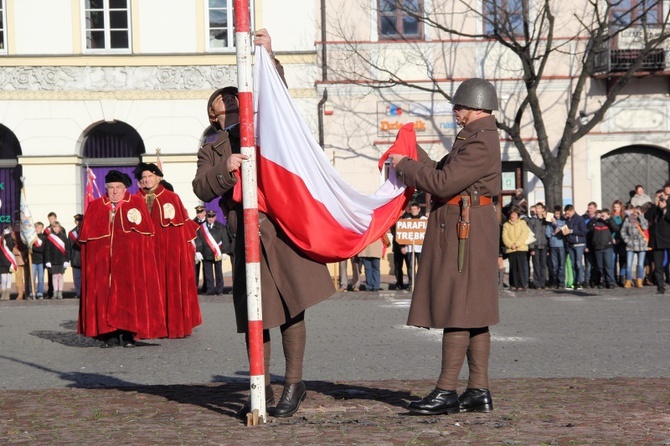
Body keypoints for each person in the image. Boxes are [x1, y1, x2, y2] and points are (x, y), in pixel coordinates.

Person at [192, 28, 336, 419]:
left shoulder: (265, 129)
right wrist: (227, 167)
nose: (234, 110)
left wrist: (269, 57)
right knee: (258, 314)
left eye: (238, 102)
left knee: (292, 307)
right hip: (245, 236)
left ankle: (294, 381)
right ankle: (262, 386)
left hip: (280, 229)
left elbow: (279, 102)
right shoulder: (212, 148)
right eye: (226, 106)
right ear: (215, 115)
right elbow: (201, 188)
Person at [389, 77, 501, 415]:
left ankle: (446, 391)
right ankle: (478, 390)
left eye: (460, 105)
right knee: (474, 313)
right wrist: (413, 154)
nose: (456, 110)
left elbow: (443, 182)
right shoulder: (475, 138)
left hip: (465, 228)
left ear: (477, 107)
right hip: (467, 225)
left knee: (459, 310)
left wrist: (405, 167)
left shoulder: (480, 141)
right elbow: (444, 169)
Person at [78, 170, 167, 348]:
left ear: (125, 188)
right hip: (103, 268)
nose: (115, 191)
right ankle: (108, 334)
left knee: (129, 298)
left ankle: (128, 334)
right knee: (104, 297)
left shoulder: (136, 203)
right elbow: (87, 243)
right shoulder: (96, 206)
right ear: (106, 189)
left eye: (118, 187)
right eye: (111, 188)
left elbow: (145, 239)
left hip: (129, 265)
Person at [135, 162, 202, 338]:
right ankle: (147, 326)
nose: (147, 180)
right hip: (144, 253)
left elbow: (179, 232)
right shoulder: (136, 198)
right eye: (144, 177)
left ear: (158, 177)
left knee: (169, 288)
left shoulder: (171, 197)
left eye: (150, 176)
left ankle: (171, 325)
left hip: (166, 254)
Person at [195, 210, 228, 296]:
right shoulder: (202, 228)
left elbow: (225, 239)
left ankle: (219, 289)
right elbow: (199, 241)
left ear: (215, 217)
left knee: (218, 272)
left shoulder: (221, 227)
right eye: (209, 216)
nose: (210, 218)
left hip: (217, 254)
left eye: (212, 216)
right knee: (208, 273)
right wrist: (198, 251)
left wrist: (225, 251)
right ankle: (210, 289)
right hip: (206, 253)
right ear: (206, 217)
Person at [644, 189, 670, 294]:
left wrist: (664, 209)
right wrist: (654, 206)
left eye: (662, 196)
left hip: (668, 237)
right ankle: (660, 287)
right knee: (658, 265)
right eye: (658, 196)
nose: (661, 198)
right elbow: (647, 216)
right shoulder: (653, 208)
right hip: (656, 239)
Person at [586, 209, 619, 288]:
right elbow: (588, 227)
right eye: (601, 215)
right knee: (600, 266)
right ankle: (604, 281)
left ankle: (611, 282)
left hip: (607, 247)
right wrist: (595, 218)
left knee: (608, 265)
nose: (602, 217)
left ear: (608, 215)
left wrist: (608, 219)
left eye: (604, 215)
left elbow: (616, 228)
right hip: (597, 247)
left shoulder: (609, 222)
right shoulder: (596, 222)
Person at [502, 207, 531, 291]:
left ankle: (522, 284)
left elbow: (524, 234)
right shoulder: (506, 225)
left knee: (521, 267)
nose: (512, 216)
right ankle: (513, 284)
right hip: (511, 249)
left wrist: (517, 244)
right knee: (513, 267)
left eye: (514, 214)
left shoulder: (522, 223)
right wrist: (511, 244)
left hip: (521, 248)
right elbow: (505, 237)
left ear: (518, 215)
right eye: (511, 214)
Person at [620, 206, 648, 288]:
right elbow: (623, 231)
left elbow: (645, 227)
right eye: (635, 211)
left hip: (641, 244)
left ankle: (639, 280)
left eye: (638, 212)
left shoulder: (643, 219)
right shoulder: (628, 219)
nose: (636, 213)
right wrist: (627, 240)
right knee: (629, 264)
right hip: (631, 244)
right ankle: (628, 280)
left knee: (640, 264)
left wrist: (641, 217)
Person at [44, 221, 70, 299]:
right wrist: (47, 260)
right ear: (52, 228)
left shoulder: (64, 237)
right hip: (53, 260)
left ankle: (60, 292)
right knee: (54, 276)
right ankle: (55, 292)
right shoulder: (49, 237)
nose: (56, 228)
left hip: (61, 260)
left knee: (60, 276)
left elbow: (67, 249)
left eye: (57, 227)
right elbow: (47, 250)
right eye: (54, 227)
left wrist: (67, 260)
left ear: (60, 228)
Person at [564, 205, 587, 290]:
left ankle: (579, 282)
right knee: (573, 264)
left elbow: (584, 232)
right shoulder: (567, 220)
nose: (567, 215)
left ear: (572, 211)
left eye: (567, 213)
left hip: (579, 244)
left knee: (578, 263)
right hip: (570, 244)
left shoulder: (579, 219)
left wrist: (572, 231)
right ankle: (573, 282)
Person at [527, 202, 549, 289]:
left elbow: (549, 231)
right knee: (536, 265)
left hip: (544, 245)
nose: (537, 210)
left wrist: (545, 217)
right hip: (535, 245)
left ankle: (543, 283)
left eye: (539, 208)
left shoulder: (546, 220)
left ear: (543, 209)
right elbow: (530, 234)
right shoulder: (532, 220)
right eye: (536, 208)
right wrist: (531, 247)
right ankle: (537, 283)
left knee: (543, 265)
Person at [546, 205, 567, 289]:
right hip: (553, 245)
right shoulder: (549, 222)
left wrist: (556, 224)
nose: (557, 215)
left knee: (561, 265)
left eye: (559, 214)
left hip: (561, 244)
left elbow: (565, 231)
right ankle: (553, 281)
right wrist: (553, 233)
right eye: (556, 214)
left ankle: (561, 282)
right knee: (554, 266)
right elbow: (547, 233)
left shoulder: (563, 221)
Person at [11, 220, 29, 300]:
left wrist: (25, 252)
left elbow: (28, 244)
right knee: (18, 276)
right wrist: (16, 251)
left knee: (27, 276)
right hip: (16, 257)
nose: (18, 227)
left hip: (25, 256)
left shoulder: (25, 234)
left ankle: (28, 293)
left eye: (19, 225)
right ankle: (20, 293)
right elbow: (9, 245)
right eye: (16, 226)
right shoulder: (11, 235)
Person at [30, 222, 47, 299]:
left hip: (41, 260)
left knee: (40, 278)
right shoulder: (32, 237)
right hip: (33, 260)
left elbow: (42, 249)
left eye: (39, 228)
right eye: (36, 228)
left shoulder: (43, 238)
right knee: (32, 277)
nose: (37, 229)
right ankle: (32, 291)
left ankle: (40, 292)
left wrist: (33, 249)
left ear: (42, 228)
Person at [193, 205, 207, 293]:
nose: (199, 214)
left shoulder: (208, 221)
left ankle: (206, 287)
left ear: (204, 213)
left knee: (206, 269)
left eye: (201, 212)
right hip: (196, 249)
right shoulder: (193, 222)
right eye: (198, 212)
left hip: (206, 249)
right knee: (195, 269)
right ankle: (195, 287)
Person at [69, 214, 83, 299]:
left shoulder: (87, 230)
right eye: (77, 221)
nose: (79, 222)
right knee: (77, 278)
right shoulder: (72, 233)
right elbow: (69, 247)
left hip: (84, 258)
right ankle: (79, 293)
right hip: (75, 258)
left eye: (80, 220)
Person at [0, 225, 16, 300]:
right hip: (2, 261)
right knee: (3, 279)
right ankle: (3, 293)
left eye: (8, 230)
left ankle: (7, 294)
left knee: (9, 278)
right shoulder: (0, 239)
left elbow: (10, 247)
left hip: (9, 261)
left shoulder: (11, 239)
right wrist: (3, 237)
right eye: (5, 230)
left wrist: (8, 236)